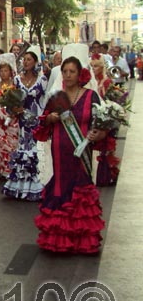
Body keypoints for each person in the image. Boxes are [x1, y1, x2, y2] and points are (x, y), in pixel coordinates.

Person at [33, 57, 106, 254]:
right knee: (61, 185)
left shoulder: (91, 96)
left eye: (72, 71)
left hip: (81, 151)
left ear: (80, 73)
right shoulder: (56, 97)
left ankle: (82, 238)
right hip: (59, 150)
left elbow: (102, 121)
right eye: (64, 71)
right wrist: (49, 118)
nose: (67, 75)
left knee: (80, 185)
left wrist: (100, 132)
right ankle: (60, 237)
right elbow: (41, 124)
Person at [2, 51, 47, 201]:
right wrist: (14, 109)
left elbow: (47, 100)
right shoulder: (16, 80)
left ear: (35, 62)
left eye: (29, 60)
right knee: (23, 149)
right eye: (24, 60)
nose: (26, 62)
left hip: (37, 120)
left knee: (36, 149)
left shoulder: (42, 79)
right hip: (22, 121)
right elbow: (10, 99)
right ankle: (21, 185)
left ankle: (39, 184)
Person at [90, 54, 120, 186]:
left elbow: (113, 101)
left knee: (105, 148)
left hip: (105, 119)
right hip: (93, 119)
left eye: (96, 66)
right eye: (92, 66)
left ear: (102, 67)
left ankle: (105, 175)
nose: (93, 68)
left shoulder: (107, 82)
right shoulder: (90, 81)